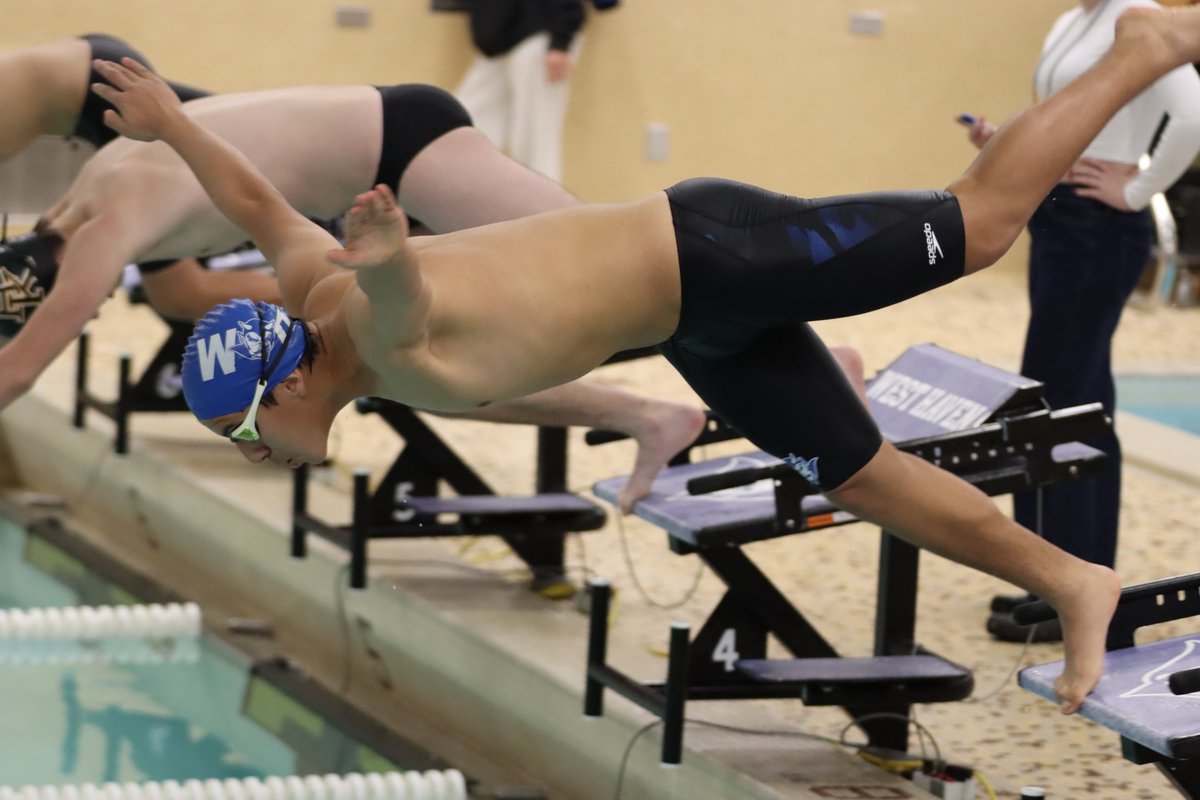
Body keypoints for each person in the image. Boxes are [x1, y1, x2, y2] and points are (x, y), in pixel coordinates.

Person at [97, 5, 1200, 714]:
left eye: (240, 431)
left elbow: (405, 294)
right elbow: (252, 198)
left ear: (285, 383)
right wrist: (166, 123)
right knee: (863, 475)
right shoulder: (307, 295)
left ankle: (1144, 48)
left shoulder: (374, 322)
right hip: (698, 326)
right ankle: (1075, 581)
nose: (250, 451)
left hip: (718, 250)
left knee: (985, 223)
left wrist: (388, 253)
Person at [0, 54, 706, 513]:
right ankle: (643, 415)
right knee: (422, 375)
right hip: (348, 214)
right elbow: (231, 230)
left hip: (400, 142)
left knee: (633, 263)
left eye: (67, 309)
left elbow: (22, 370)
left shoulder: (104, 231)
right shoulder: (84, 201)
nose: (83, 315)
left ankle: (805, 351)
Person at [961, 0, 1200, 643]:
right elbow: (1065, 114)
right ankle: (1067, 581)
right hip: (1060, 216)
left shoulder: (1137, 15)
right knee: (1079, 400)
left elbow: (1193, 114)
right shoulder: (1074, 20)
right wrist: (1006, 142)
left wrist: (1136, 189)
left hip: (1099, 227)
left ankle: (1067, 594)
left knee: (1057, 402)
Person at [0, 34, 281, 335]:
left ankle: (322, 282)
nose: (96, 310)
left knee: (179, 292)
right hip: (83, 74)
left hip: (89, 89)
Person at [455, 0, 601, 182]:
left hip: (540, 35)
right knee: (468, 121)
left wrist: (560, 41)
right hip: (500, 39)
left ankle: (541, 204)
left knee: (535, 137)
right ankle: (465, 190)